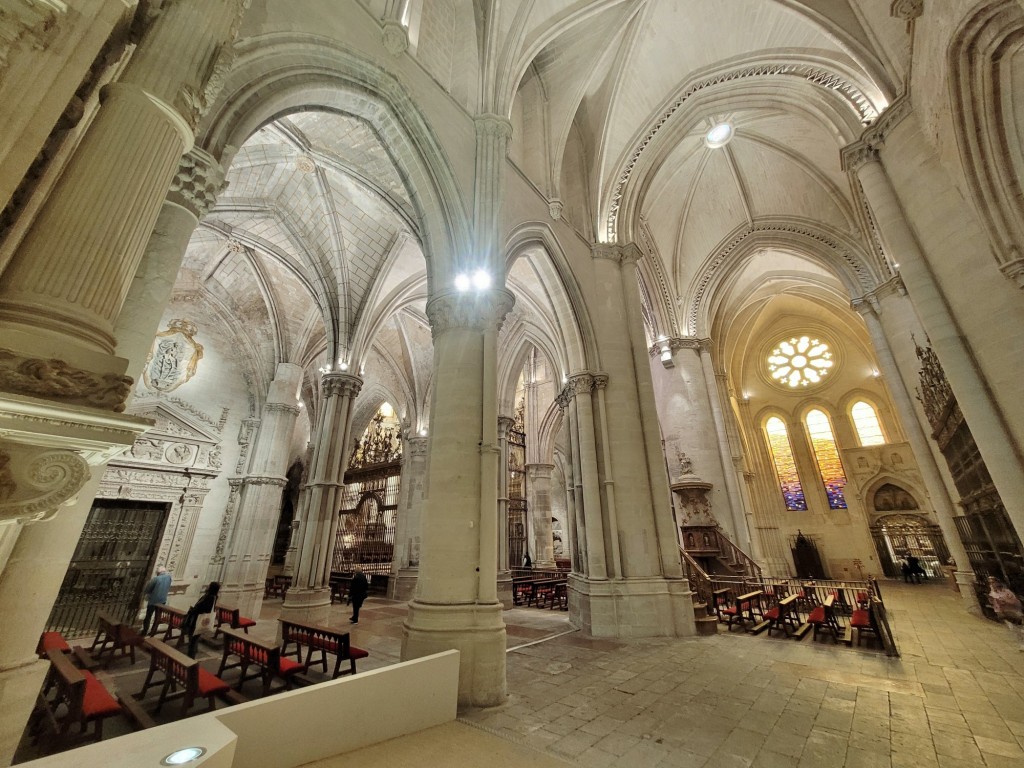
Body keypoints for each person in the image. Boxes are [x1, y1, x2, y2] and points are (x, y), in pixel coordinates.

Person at [183, 581, 220, 658]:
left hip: (198, 619)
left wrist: (193, 610)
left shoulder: (210, 597)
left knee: (193, 637)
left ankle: (191, 656)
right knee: (194, 637)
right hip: (198, 618)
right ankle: (193, 652)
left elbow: (201, 607)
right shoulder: (211, 596)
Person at [987, 576, 1024, 651]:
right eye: (990, 583)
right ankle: (1022, 644)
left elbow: (1015, 602)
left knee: (1021, 628)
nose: (992, 584)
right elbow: (995, 605)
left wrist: (1005, 601)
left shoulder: (1007, 592)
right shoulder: (992, 593)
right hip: (1004, 613)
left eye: (993, 582)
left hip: (1014, 611)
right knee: (1013, 628)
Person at [141, 566, 172, 635]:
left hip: (153, 601)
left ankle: (145, 631)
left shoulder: (155, 579)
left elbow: (147, 589)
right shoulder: (169, 578)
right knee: (157, 617)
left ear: (158, 572)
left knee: (148, 616)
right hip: (162, 600)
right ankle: (153, 631)